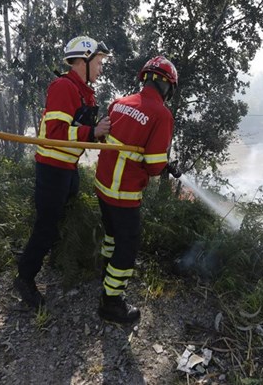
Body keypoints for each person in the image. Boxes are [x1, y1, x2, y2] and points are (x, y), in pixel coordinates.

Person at [14, 35, 112, 310]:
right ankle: (25, 277)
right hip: (52, 169)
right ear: (83, 60)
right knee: (46, 225)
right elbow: (54, 133)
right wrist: (92, 131)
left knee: (61, 216)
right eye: (100, 62)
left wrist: (98, 134)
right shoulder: (63, 87)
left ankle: (56, 257)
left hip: (67, 168)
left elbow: (78, 133)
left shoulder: (83, 91)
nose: (102, 68)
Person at [94, 55, 178, 324]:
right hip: (124, 191)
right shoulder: (161, 114)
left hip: (103, 184)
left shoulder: (119, 103)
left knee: (111, 234)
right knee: (128, 245)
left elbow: (111, 138)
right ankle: (111, 302)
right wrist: (164, 163)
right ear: (167, 87)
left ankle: (106, 270)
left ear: (145, 79)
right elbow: (154, 166)